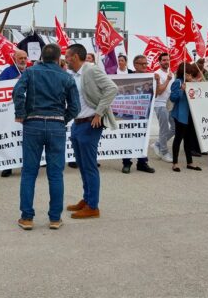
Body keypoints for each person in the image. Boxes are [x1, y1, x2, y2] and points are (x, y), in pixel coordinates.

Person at [13, 44, 80, 230]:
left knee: (29, 173)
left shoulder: (30, 72)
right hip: (55, 125)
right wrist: (62, 120)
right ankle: (55, 218)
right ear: (59, 59)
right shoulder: (66, 77)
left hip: (32, 124)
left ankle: (27, 218)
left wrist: (21, 113)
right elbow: (75, 107)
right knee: (55, 174)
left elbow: (18, 91)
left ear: (41, 56)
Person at [65, 44, 118, 219]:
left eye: (67, 56)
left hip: (90, 125)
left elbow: (112, 88)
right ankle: (87, 199)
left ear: (74, 56)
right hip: (77, 124)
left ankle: (93, 206)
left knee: (89, 166)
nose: (65, 59)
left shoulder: (91, 70)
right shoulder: (74, 74)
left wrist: (99, 112)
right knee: (82, 165)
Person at [122, 54, 156, 174]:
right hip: (131, 114)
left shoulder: (151, 78)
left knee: (143, 138)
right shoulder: (128, 77)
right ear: (135, 65)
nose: (145, 66)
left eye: (146, 63)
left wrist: (158, 81)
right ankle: (126, 163)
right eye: (142, 64)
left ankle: (142, 163)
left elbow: (158, 93)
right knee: (128, 138)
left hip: (145, 114)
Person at [0, 49, 29, 177]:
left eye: (24, 58)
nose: (22, 60)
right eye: (20, 58)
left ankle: (25, 165)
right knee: (10, 138)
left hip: (26, 111)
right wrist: (14, 82)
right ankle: (8, 166)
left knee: (25, 140)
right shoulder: (7, 71)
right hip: (10, 111)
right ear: (15, 59)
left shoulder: (31, 71)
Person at [169, 63, 202, 172]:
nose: (190, 75)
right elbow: (173, 98)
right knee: (178, 139)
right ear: (183, 72)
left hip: (190, 115)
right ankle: (175, 163)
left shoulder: (192, 83)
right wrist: (182, 90)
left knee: (188, 139)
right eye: (188, 73)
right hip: (180, 115)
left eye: (191, 73)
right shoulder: (177, 82)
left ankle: (190, 162)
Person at [152, 53, 174, 162]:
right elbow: (159, 91)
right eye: (164, 60)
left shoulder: (171, 73)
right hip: (160, 104)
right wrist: (168, 80)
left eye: (167, 60)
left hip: (170, 104)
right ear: (160, 62)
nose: (166, 62)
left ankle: (158, 143)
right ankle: (164, 152)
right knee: (164, 128)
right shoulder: (157, 74)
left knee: (175, 128)